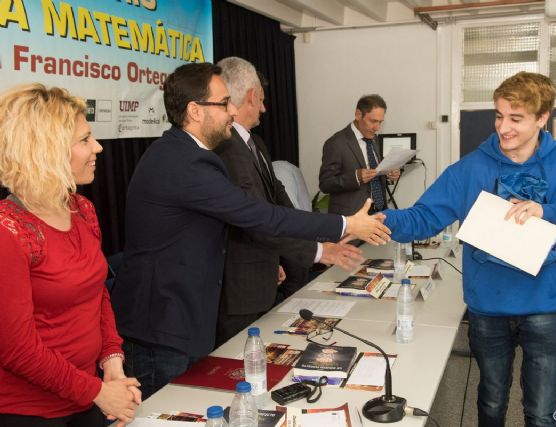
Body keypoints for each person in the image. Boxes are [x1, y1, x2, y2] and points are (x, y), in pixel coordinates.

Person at [110, 62, 389, 399]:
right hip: (163, 325)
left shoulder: (190, 154)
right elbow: (259, 215)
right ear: (195, 111)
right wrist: (344, 223)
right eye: (223, 103)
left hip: (184, 317)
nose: (232, 111)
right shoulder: (185, 162)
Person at [382, 72, 556, 426]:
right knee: (491, 401)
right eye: (499, 115)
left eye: (515, 118)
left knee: (540, 409)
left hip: (546, 308)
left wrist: (547, 210)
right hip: (488, 308)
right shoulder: (469, 169)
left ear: (542, 118)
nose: (503, 127)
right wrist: (378, 222)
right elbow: (425, 217)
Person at [0, 84, 141, 427]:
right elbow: (16, 349)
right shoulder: (8, 231)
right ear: (46, 150)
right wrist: (98, 392)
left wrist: (112, 362)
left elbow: (98, 292)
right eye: (84, 139)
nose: (98, 147)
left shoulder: (82, 210)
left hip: (86, 395)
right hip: (29, 411)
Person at [213, 57, 364, 345]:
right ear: (251, 96)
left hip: (266, 273)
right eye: (262, 100)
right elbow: (258, 218)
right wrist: (321, 249)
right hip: (239, 288)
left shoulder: (255, 143)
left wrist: (331, 233)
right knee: (236, 364)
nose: (264, 108)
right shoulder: (227, 148)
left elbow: (282, 205)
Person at [319, 94, 400, 215]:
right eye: (373, 121)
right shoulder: (336, 143)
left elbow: (374, 175)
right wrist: (356, 177)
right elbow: (325, 184)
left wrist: (388, 175)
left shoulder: (374, 138)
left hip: (379, 212)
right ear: (358, 115)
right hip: (352, 217)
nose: (377, 128)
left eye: (380, 122)